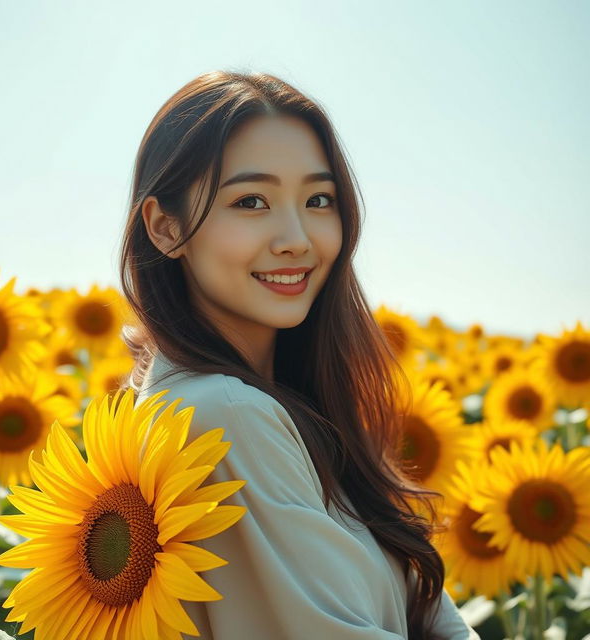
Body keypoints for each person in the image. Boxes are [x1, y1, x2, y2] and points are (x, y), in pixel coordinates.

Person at [120, 70, 481, 640]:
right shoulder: (222, 413)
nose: (296, 237)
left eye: (318, 199)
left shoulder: (280, 404)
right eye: (251, 201)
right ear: (166, 228)